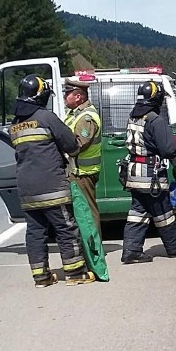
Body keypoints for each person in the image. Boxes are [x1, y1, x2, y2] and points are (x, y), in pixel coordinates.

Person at [9, 74, 93, 287]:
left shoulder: (15, 124)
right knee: (65, 228)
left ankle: (41, 277)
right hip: (52, 186)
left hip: (27, 189)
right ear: (40, 96)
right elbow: (71, 145)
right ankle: (75, 274)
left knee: (36, 233)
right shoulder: (47, 117)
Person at [120, 81, 176, 264]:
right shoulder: (155, 120)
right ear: (156, 99)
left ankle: (131, 251)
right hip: (151, 177)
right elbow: (169, 149)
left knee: (137, 213)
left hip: (134, 175)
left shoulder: (134, 117)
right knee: (164, 213)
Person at [62, 76, 102, 235]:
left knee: (88, 212)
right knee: (81, 211)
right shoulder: (74, 114)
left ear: (78, 97)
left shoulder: (86, 117)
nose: (65, 98)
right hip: (77, 171)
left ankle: (94, 250)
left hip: (83, 172)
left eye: (67, 94)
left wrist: (61, 148)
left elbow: (79, 144)